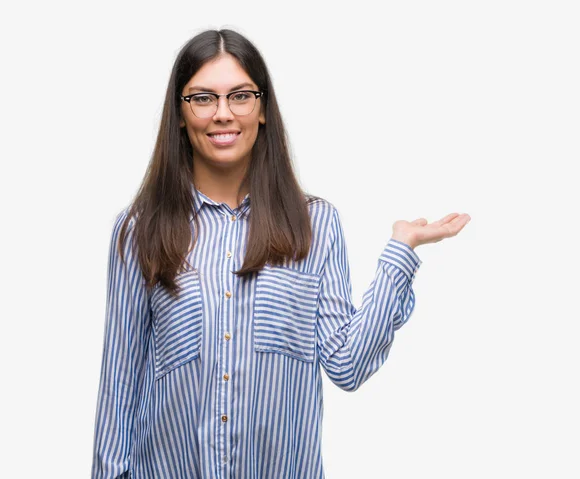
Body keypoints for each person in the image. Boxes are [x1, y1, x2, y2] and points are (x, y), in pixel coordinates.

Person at [90, 28, 471, 479]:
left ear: (263, 108)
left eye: (240, 96)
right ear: (179, 112)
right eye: (203, 98)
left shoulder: (315, 224)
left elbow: (348, 365)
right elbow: (120, 385)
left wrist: (400, 255)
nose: (223, 114)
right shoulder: (140, 229)